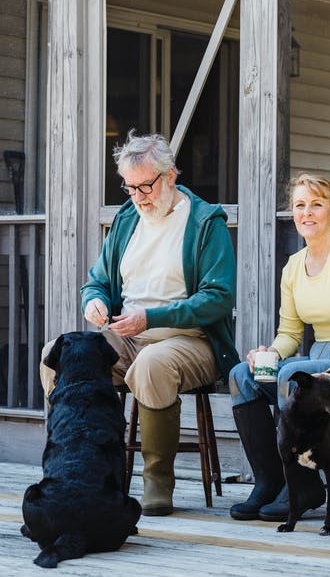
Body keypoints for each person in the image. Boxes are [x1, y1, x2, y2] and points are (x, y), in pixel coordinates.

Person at [40, 130, 239, 516]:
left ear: (169, 176)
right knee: (56, 354)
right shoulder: (127, 219)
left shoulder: (203, 222)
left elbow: (218, 298)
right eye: (129, 188)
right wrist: (94, 300)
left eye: (145, 186)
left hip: (190, 340)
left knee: (153, 364)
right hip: (126, 335)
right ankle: (70, 461)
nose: (137, 197)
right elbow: (96, 280)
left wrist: (153, 317)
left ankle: (157, 481)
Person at [228, 173, 330, 522]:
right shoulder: (292, 267)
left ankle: (304, 486)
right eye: (300, 205)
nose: (308, 212)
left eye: (317, 204)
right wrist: (269, 355)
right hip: (324, 362)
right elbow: (289, 334)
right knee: (242, 375)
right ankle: (270, 479)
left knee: (291, 375)